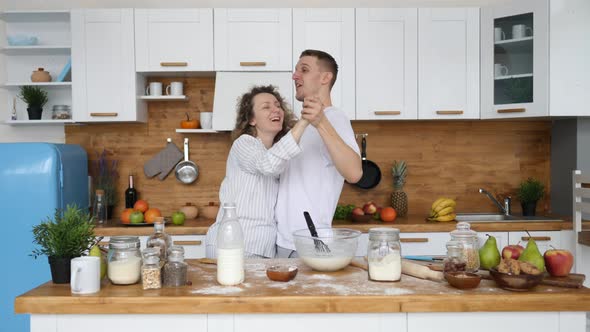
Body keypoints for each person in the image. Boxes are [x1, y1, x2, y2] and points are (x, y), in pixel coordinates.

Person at [275, 49, 363, 258]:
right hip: (286, 241)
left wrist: (321, 121)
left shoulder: (334, 118)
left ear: (325, 77)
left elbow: (354, 173)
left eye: (303, 70)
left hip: (307, 244)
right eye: (295, 71)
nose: (295, 76)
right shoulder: (302, 125)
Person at [205, 85, 309, 259]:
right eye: (266, 107)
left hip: (263, 248)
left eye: (277, 105)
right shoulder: (244, 143)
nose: (276, 110)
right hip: (233, 245)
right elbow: (267, 165)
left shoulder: (278, 153)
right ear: (252, 119)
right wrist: (304, 122)